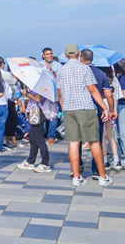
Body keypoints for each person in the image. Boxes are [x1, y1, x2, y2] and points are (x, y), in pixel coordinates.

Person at [56, 44, 112, 187]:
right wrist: (105, 107)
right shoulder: (85, 68)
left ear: (66, 54)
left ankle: (76, 177)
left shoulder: (60, 71)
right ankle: (102, 176)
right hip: (85, 107)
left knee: (73, 142)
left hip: (69, 109)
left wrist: (64, 109)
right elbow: (93, 90)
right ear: (79, 53)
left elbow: (60, 94)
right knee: (94, 141)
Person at [80, 50, 117, 173]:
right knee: (97, 139)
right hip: (97, 109)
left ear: (81, 58)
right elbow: (108, 94)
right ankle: (96, 169)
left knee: (78, 139)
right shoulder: (101, 74)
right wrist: (111, 110)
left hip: (80, 108)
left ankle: (78, 165)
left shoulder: (78, 73)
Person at [16, 85, 53, 173]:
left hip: (38, 113)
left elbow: (38, 99)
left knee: (39, 139)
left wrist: (27, 94)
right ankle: (30, 161)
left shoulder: (40, 86)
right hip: (34, 112)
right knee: (32, 138)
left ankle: (45, 163)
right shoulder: (35, 85)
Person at [41, 48, 62, 145]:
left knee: (53, 114)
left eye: (51, 54)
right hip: (43, 93)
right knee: (44, 114)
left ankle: (51, 136)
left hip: (54, 92)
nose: (49, 55)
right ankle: (44, 133)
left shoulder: (58, 65)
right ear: (43, 55)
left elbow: (61, 78)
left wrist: (52, 72)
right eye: (47, 54)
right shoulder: (40, 65)